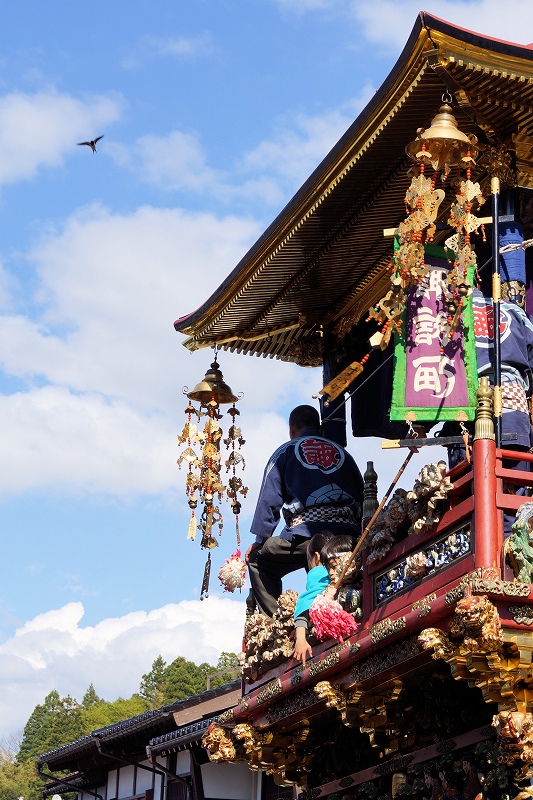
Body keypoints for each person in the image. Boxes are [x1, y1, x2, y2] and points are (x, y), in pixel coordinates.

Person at [245, 404, 364, 617]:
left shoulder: (285, 452)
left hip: (304, 538)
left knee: (257, 559)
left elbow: (269, 501)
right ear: (318, 427)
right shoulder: (343, 454)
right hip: (347, 538)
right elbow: (363, 500)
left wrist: (260, 540)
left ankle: (278, 623)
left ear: (292, 430)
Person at [291, 531, 333, 666]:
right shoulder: (340, 567)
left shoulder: (318, 572)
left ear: (316, 557)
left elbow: (305, 604)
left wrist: (300, 639)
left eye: (308, 561)